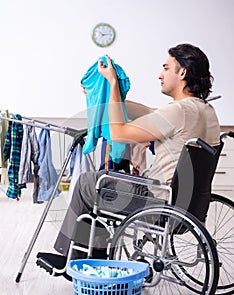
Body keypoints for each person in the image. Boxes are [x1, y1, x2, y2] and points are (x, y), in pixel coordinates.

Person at [52, 43, 220, 261]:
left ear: (182, 72)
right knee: (102, 182)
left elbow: (119, 132)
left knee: (89, 182)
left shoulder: (179, 111)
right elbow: (152, 113)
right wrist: (107, 97)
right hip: (191, 207)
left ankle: (74, 259)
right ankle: (92, 255)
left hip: (160, 204)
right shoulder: (204, 110)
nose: (160, 75)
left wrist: (112, 83)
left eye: (166, 68)